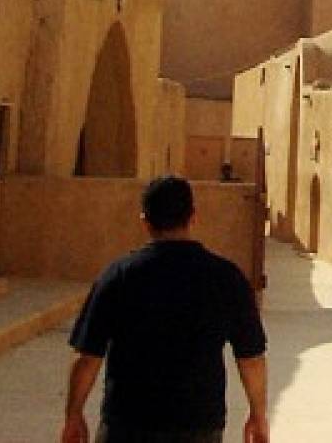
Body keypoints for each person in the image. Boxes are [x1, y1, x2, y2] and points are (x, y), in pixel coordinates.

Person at [62, 176, 270, 443]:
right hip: (198, 428)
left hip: (127, 426)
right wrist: (258, 414)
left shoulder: (119, 276)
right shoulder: (225, 278)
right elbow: (251, 358)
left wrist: (73, 414)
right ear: (193, 217)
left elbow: (88, 357)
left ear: (145, 221)